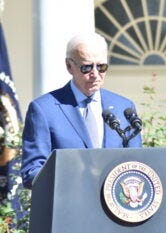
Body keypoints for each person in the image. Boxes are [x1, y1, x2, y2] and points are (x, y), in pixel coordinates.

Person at [21, 32, 142, 189]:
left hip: (116, 206)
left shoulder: (123, 107)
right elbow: (32, 172)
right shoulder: (44, 109)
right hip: (69, 206)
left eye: (101, 67)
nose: (95, 75)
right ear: (69, 66)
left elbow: (137, 165)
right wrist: (77, 179)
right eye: (86, 68)